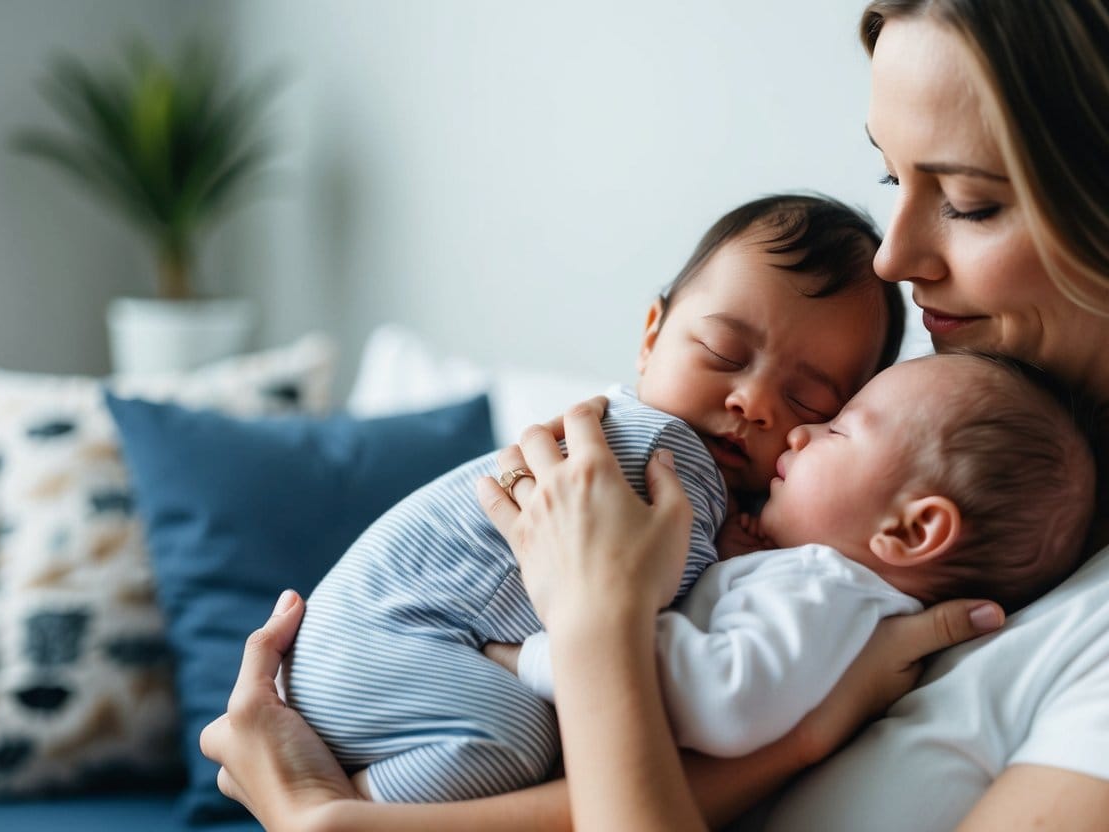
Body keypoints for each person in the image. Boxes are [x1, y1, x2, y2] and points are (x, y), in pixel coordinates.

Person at [203, 0, 1109, 828]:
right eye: (891, 177)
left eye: (966, 202)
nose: (891, 258)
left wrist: (592, 625)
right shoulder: (946, 471)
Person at [283, 193, 902, 803]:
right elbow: (645, 638)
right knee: (520, 743)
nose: (755, 401)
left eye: (808, 401)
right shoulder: (666, 452)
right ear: (651, 336)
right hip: (389, 641)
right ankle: (351, 807)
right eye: (723, 354)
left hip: (349, 646)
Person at [504, 352, 1093, 760]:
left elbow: (722, 699)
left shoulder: (823, 588)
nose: (799, 433)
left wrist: (525, 656)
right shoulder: (829, 593)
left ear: (912, 529)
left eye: (838, 431)